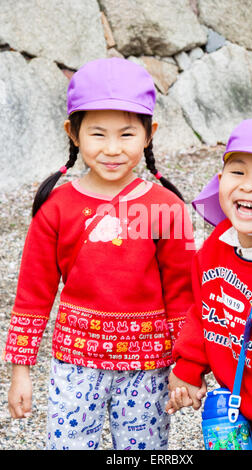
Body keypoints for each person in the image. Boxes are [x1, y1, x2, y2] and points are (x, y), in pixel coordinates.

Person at [3, 57, 195, 450]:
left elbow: (182, 294)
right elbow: (33, 294)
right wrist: (20, 371)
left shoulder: (167, 208)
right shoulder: (55, 207)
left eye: (126, 134)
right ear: (73, 134)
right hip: (74, 364)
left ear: (149, 134)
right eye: (97, 134)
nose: (112, 149)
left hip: (149, 367)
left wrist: (187, 365)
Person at [166, 119, 252, 450]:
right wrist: (189, 365)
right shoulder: (216, 246)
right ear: (220, 180)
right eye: (238, 172)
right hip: (235, 417)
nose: (250, 186)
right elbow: (204, 309)